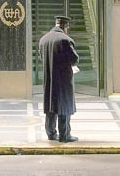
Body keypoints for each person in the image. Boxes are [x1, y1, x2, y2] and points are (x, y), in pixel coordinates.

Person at [38, 15, 79, 143]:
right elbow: (74, 59)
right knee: (64, 106)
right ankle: (64, 135)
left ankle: (51, 133)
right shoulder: (65, 40)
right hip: (63, 80)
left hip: (49, 79)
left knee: (51, 105)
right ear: (65, 26)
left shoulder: (43, 40)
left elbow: (41, 58)